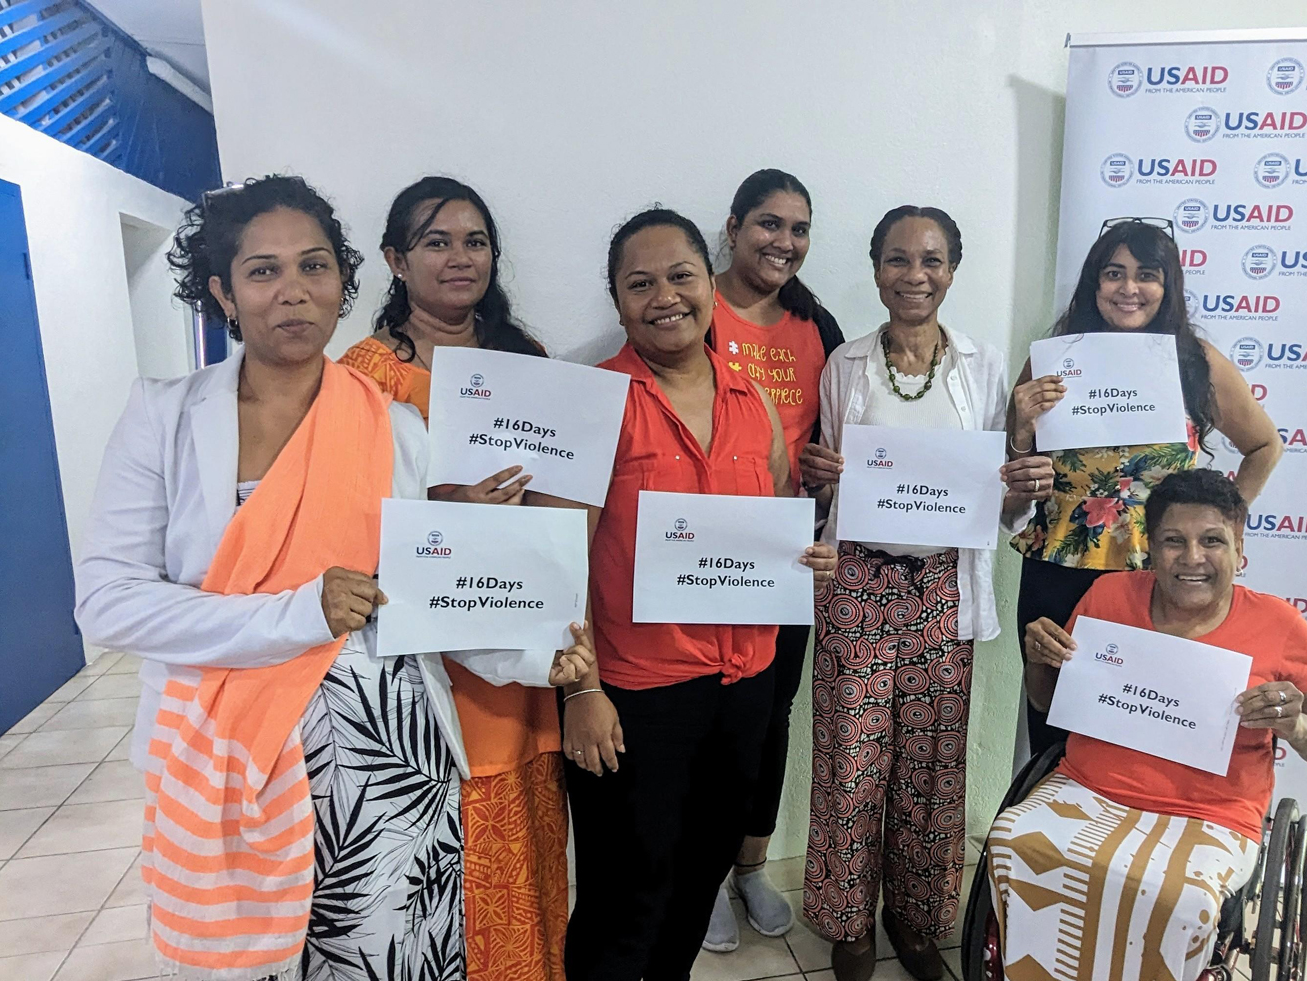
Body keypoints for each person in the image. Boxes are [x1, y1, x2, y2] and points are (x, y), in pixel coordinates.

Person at [71, 175, 592, 981]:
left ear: (344, 282)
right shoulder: (165, 417)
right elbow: (107, 602)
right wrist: (297, 614)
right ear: (222, 290)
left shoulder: (393, 425)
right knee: (260, 962)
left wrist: (530, 658)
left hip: (392, 751)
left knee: (394, 958)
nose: (293, 292)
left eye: (315, 267)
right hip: (231, 748)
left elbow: (427, 590)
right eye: (263, 270)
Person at [562, 207, 838, 981]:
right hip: (633, 695)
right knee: (626, 896)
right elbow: (555, 562)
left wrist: (802, 558)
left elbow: (780, 522)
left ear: (708, 285)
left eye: (680, 276)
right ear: (617, 300)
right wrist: (581, 686)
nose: (664, 297)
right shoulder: (593, 401)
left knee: (695, 879)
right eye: (639, 283)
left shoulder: (753, 403)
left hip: (742, 688)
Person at [796, 206, 1050, 981]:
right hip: (856, 586)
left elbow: (999, 499)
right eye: (898, 260)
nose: (915, 276)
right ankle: (848, 926)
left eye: (932, 261)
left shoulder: (981, 364)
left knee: (932, 765)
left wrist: (1021, 480)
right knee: (850, 761)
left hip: (941, 587)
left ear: (953, 269)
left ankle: (916, 920)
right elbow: (822, 486)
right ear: (875, 269)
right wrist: (817, 474)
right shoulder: (844, 363)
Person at [338, 176, 571, 981]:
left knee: (538, 828)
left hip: (528, 629)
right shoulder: (364, 378)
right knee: (463, 831)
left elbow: (562, 492)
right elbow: (354, 522)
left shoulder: (525, 361)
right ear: (396, 259)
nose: (459, 257)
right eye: (436, 241)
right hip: (441, 648)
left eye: (475, 241)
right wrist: (452, 504)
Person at [996, 468, 1307, 981]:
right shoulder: (1108, 597)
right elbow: (1047, 700)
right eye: (1173, 541)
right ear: (1150, 546)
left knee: (1180, 894)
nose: (1192, 558)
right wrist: (1037, 659)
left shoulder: (1280, 626)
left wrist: (1297, 725)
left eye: (1212, 541)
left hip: (1212, 810)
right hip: (1089, 786)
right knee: (1014, 837)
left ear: (1238, 546)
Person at [1007, 219, 1283, 757]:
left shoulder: (1195, 363)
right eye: (1114, 273)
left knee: (1141, 724)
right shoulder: (1055, 358)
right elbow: (1009, 476)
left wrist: (1220, 526)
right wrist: (1019, 430)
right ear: (1094, 283)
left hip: (1155, 577)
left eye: (1146, 275)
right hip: (1056, 571)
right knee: (1054, 722)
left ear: (1168, 285)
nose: (1129, 288)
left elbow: (1264, 446)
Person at [704, 168, 846, 951]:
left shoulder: (813, 323)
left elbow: (834, 426)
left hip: (787, 548)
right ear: (731, 226)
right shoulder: (695, 302)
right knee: (704, 711)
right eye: (767, 224)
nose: (782, 242)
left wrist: (831, 463)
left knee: (770, 715)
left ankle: (750, 865)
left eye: (797, 229)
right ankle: (702, 871)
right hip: (698, 544)